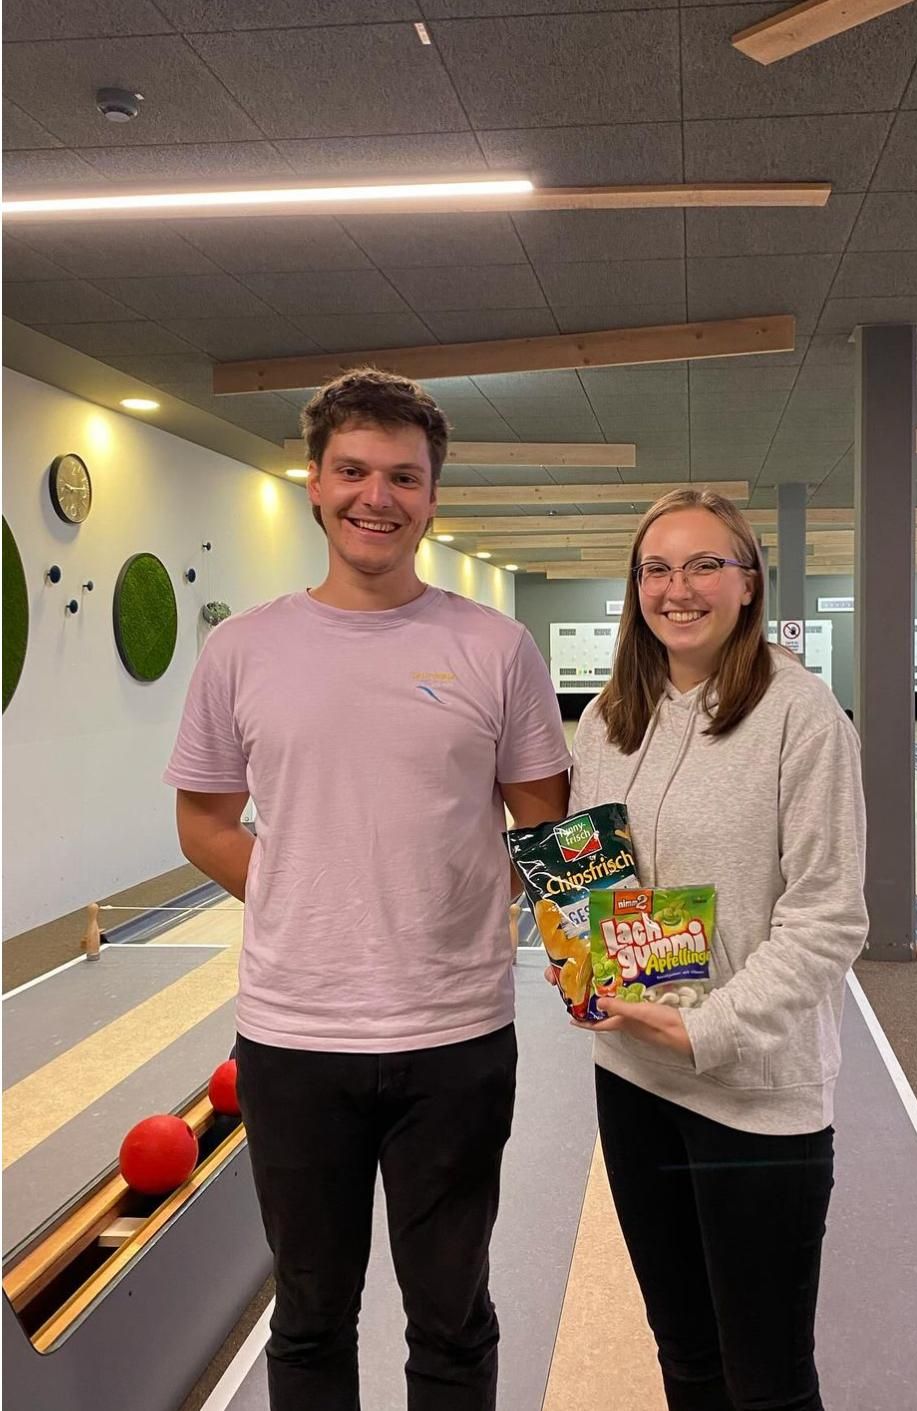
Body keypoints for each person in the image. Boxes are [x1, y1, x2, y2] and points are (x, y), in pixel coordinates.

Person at [164, 368, 570, 1411]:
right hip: (294, 1038)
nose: (375, 496)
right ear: (314, 480)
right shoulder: (242, 649)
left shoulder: (496, 647)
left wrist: (506, 920)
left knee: (451, 1315)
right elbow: (204, 822)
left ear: (433, 496)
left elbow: (546, 827)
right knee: (308, 1317)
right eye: (352, 471)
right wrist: (304, 892)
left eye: (403, 476)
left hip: (456, 1036)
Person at [561, 487, 868, 1411]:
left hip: (755, 1095)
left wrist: (710, 1029)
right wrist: (579, 955)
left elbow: (827, 917)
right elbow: (593, 878)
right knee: (686, 1356)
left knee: (768, 1380)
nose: (678, 588)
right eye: (656, 568)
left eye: (705, 565)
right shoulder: (607, 720)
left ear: (748, 583)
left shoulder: (801, 716)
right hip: (633, 1078)